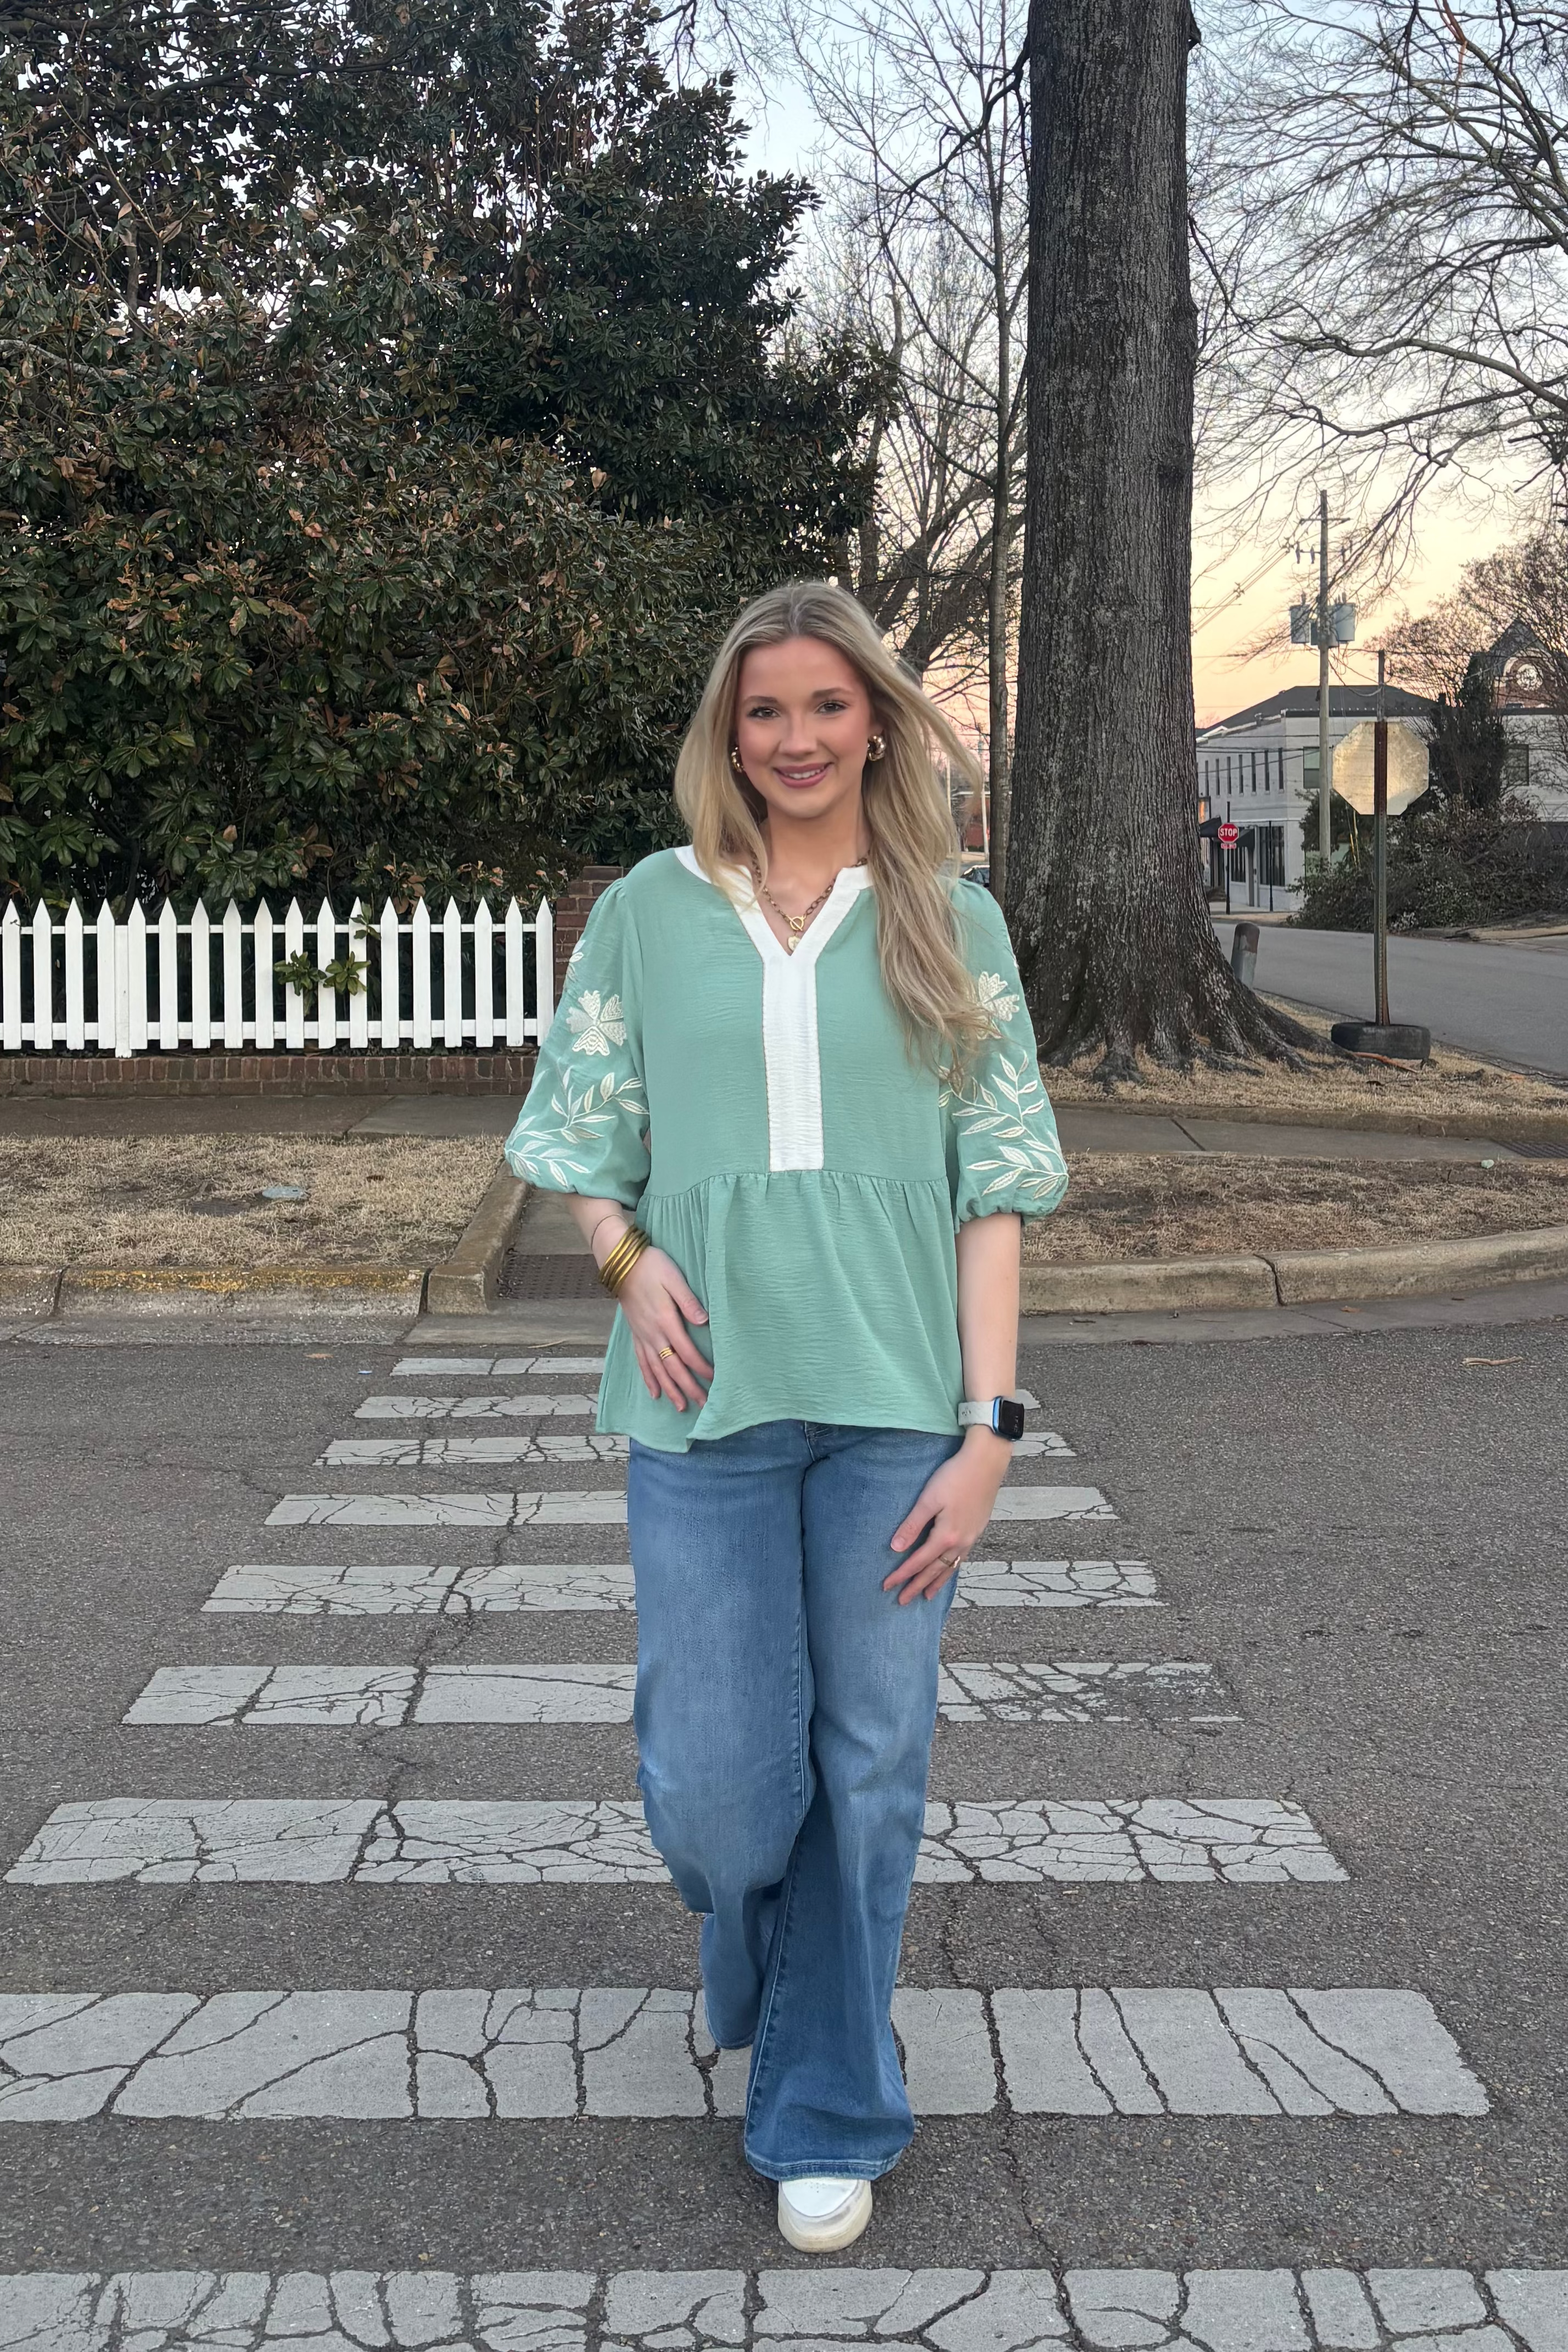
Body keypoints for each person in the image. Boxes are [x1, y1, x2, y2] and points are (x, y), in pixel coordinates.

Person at [503, 579, 1067, 2252]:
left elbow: (996, 1188)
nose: (799, 737)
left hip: (900, 1414)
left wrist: (992, 1430)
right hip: (704, 1412)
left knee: (871, 1763)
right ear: (727, 733)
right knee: (723, 1796)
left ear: (877, 719)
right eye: (767, 711)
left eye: (829, 705)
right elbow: (579, 1139)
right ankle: (752, 1945)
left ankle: (828, 2089)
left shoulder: (951, 916)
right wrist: (624, 1260)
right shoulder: (647, 914)